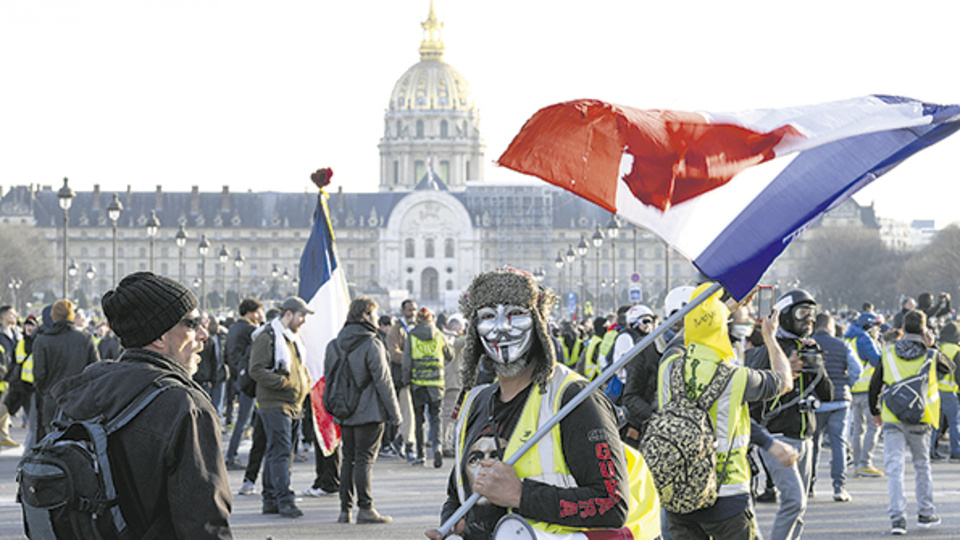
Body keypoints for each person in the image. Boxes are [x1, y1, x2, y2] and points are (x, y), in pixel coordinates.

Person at [426, 268, 655, 540]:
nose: (502, 328)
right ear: (475, 329)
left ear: (539, 321)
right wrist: (454, 524)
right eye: (488, 316)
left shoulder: (575, 399)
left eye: (515, 314)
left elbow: (612, 503)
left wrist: (522, 495)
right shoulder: (476, 401)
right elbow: (458, 491)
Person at [50, 272, 232, 538]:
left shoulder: (84, 388)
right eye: (192, 323)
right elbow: (204, 523)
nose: (204, 333)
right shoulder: (185, 406)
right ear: (159, 337)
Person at [660, 283, 793, 540]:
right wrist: (770, 337)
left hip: (678, 489)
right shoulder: (735, 377)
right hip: (726, 492)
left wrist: (721, 310)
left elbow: (685, 334)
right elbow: (784, 380)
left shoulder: (669, 365)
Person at [745, 289, 833, 540]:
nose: (808, 319)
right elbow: (755, 399)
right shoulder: (770, 350)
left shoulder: (807, 348)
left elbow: (827, 394)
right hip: (778, 435)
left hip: (806, 437)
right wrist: (786, 376)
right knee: (794, 501)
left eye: (812, 314)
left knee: (801, 506)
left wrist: (817, 365)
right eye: (802, 313)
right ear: (784, 316)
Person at [869, 309, 954, 535]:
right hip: (921, 418)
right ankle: (926, 513)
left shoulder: (887, 353)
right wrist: (932, 345)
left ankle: (898, 518)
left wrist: (875, 411)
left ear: (903, 329)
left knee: (894, 468)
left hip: (892, 417)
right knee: (921, 465)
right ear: (925, 330)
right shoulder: (931, 355)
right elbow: (949, 369)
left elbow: (875, 384)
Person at [327, 296, 400, 524]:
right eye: (375, 314)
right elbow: (383, 381)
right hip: (369, 412)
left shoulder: (334, 344)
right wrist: (395, 414)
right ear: (365, 315)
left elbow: (329, 378)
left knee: (348, 458)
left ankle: (344, 510)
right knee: (364, 460)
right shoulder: (372, 343)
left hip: (344, 411)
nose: (378, 318)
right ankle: (366, 508)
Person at [249, 296, 312, 518]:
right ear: (288, 314)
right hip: (275, 402)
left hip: (293, 403)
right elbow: (256, 369)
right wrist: (284, 383)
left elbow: (299, 367)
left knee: (277, 452)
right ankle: (285, 500)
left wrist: (303, 383)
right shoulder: (268, 336)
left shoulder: (291, 337)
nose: (303, 320)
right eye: (301, 315)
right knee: (281, 452)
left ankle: (270, 499)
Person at [809, 312, 861, 502]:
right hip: (840, 400)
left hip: (815, 402)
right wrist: (847, 384)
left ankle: (810, 486)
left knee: (813, 444)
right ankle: (839, 487)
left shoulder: (808, 344)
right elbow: (857, 369)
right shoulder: (843, 345)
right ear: (831, 327)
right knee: (838, 444)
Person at [32, 299, 101, 440]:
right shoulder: (85, 338)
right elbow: (95, 369)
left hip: (52, 400)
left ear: (53, 317)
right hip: (80, 401)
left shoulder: (42, 340)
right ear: (71, 316)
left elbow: (39, 374)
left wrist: (45, 391)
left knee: (52, 445)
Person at [402, 306, 453, 467]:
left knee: (419, 421)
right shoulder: (439, 335)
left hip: (418, 384)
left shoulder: (412, 335)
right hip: (436, 383)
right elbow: (449, 355)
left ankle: (421, 455)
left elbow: (406, 361)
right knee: (436, 418)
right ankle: (437, 446)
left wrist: (406, 380)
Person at [224, 297, 265, 469]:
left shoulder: (233, 328)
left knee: (250, 419)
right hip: (248, 381)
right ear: (253, 312)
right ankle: (230, 457)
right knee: (243, 421)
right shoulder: (251, 329)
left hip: (236, 378)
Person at [619, 305, 664, 446]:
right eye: (645, 321)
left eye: (652, 321)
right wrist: (654, 418)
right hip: (624, 391)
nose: (650, 325)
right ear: (633, 323)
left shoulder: (660, 342)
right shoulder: (629, 340)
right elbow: (631, 394)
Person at [846, 311, 884, 478]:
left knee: (857, 429)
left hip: (853, 389)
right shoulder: (865, 339)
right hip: (867, 390)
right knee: (873, 426)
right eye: (877, 327)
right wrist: (877, 343)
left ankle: (856, 464)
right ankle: (865, 463)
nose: (879, 330)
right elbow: (878, 361)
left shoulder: (850, 338)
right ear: (870, 327)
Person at [385, 298, 419, 460]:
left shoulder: (419, 328)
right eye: (409, 310)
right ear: (403, 311)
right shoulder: (396, 330)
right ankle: (409, 444)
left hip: (420, 377)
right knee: (408, 412)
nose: (412, 313)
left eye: (414, 310)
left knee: (416, 414)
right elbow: (393, 353)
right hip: (404, 377)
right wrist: (412, 359)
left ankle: (399, 439)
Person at [932, 321, 960, 461]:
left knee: (934, 423)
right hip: (949, 391)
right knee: (954, 422)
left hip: (935, 391)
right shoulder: (957, 350)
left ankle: (931, 450)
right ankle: (956, 450)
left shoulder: (938, 347)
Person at [440, 314, 466, 457]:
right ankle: (445, 444)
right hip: (452, 381)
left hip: (446, 380)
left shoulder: (442, 336)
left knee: (446, 415)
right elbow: (464, 342)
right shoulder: (450, 337)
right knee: (448, 416)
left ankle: (444, 442)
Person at [0, 305, 22, 446]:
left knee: (6, 406)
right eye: (12, 314)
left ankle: (3, 435)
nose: (15, 316)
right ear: (4, 316)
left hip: (13, 376)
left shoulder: (16, 332)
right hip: (3, 375)